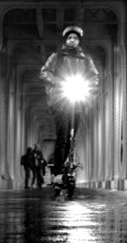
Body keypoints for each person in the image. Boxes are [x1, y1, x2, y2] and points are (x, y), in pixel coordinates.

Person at [40, 25, 100, 181]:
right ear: (65, 41)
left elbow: (94, 76)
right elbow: (44, 72)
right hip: (61, 99)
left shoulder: (86, 59)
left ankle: (67, 165)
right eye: (69, 38)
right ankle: (57, 172)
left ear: (79, 41)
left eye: (75, 38)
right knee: (63, 136)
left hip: (78, 99)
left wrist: (91, 88)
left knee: (72, 137)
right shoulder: (56, 57)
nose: (72, 40)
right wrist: (58, 82)